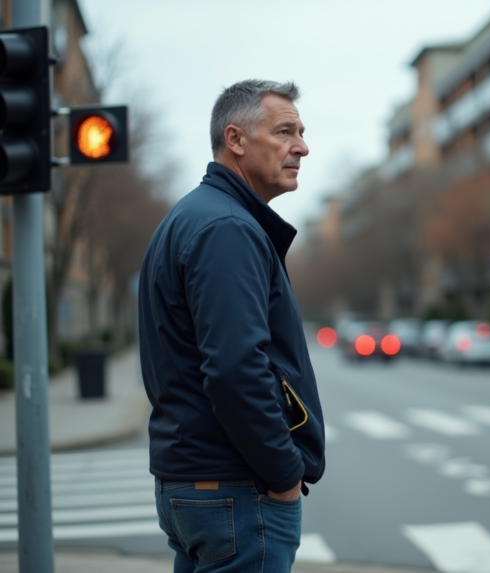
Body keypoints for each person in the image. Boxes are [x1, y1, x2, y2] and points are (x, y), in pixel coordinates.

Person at [138, 79, 325, 572]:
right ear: (236, 140)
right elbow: (236, 368)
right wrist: (284, 474)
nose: (302, 146)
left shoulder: (198, 217)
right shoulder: (227, 228)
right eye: (285, 131)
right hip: (236, 489)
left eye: (302, 132)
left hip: (201, 483)